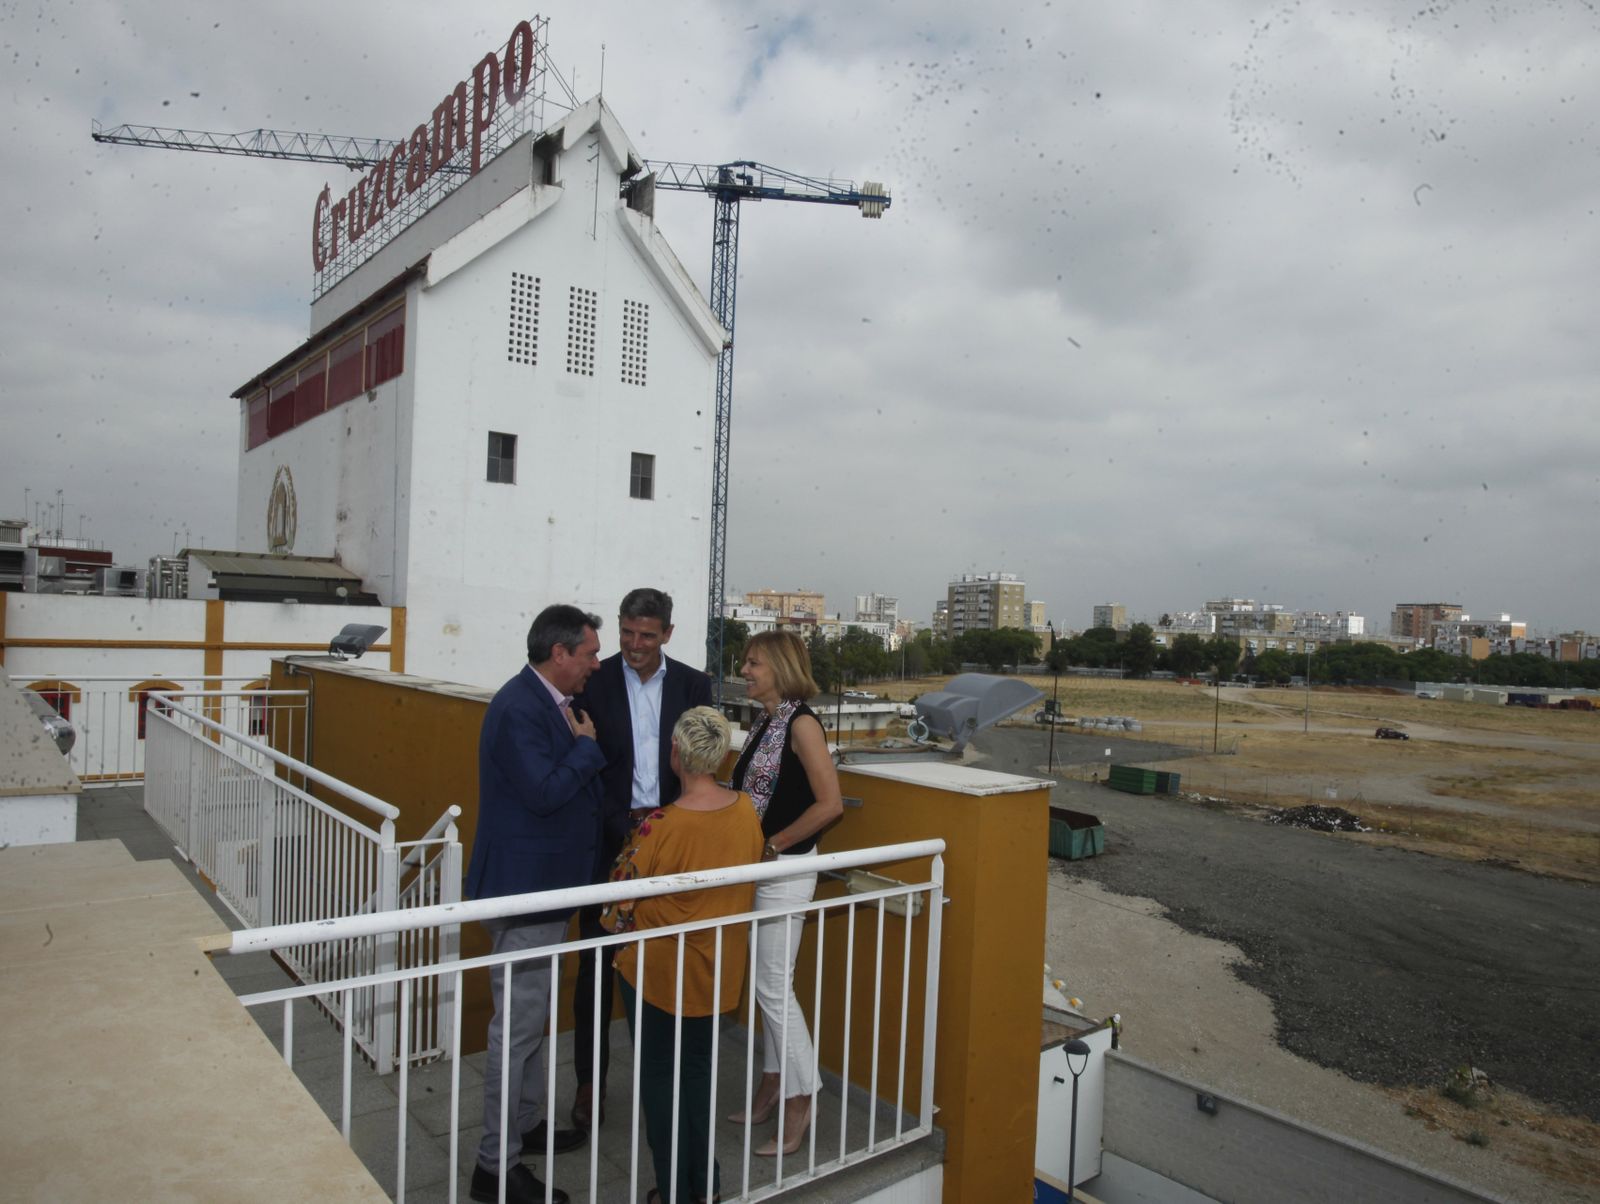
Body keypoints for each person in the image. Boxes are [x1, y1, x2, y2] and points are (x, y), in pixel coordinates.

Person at [464, 604, 604, 1204]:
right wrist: (586, 748)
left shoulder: (546, 702)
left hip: (546, 890)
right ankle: (495, 1169)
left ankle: (525, 1126)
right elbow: (544, 793)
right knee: (516, 1031)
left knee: (530, 1023)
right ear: (560, 654)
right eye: (591, 653)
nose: (597, 664)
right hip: (524, 893)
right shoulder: (519, 707)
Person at [604, 707, 764, 1204]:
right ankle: (705, 1188)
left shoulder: (660, 825)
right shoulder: (746, 812)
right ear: (722, 754)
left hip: (658, 974)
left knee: (660, 1084)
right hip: (717, 971)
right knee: (697, 1078)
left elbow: (614, 909)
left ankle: (674, 1190)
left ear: (676, 753)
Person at [569, 588, 712, 1131]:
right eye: (627, 633)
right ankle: (589, 1084)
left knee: (670, 959)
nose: (633, 645)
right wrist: (615, 826)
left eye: (646, 636)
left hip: (674, 841)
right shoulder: (594, 679)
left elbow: (701, 764)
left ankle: (669, 1082)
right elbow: (584, 761)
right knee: (596, 967)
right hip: (609, 842)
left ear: (667, 635)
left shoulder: (695, 685)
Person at [727, 631, 845, 1156]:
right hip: (763, 871)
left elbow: (829, 805)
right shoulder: (767, 722)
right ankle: (773, 1083)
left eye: (753, 663)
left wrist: (772, 848)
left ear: (778, 666)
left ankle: (802, 1095)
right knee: (768, 985)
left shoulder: (800, 724)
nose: (744, 671)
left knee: (774, 988)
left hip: (785, 871)